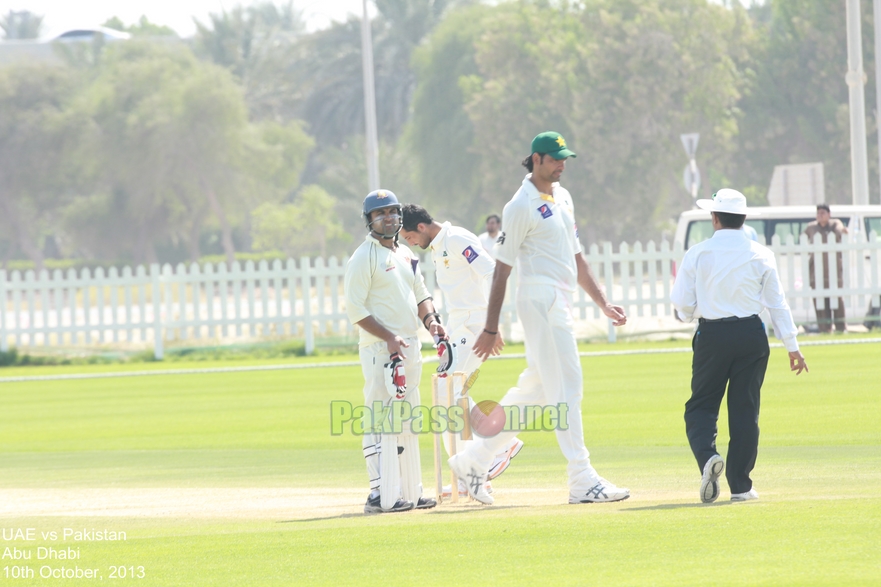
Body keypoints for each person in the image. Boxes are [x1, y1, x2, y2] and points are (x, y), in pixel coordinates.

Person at [448, 131, 631, 505]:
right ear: (536, 159)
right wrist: (490, 326)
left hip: (559, 300)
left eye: (565, 158)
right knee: (568, 386)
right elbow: (501, 269)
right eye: (555, 159)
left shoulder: (563, 197)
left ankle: (474, 461)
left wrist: (603, 303)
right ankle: (581, 477)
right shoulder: (519, 206)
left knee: (538, 389)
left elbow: (576, 257)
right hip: (539, 300)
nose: (562, 164)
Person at [671, 188, 808, 503]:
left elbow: (682, 304)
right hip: (751, 335)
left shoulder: (699, 253)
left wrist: (690, 313)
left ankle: (708, 457)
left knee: (701, 406)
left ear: (715, 219)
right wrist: (793, 346)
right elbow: (777, 304)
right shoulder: (761, 253)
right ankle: (741, 486)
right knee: (746, 410)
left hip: (712, 335)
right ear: (743, 218)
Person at [399, 204, 525, 499]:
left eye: (409, 238)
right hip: (460, 328)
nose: (411, 244)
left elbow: (492, 274)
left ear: (420, 227)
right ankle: (474, 470)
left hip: (474, 328)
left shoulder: (456, 239)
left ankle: (497, 447)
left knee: (446, 395)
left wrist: (491, 326)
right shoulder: (439, 246)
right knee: (450, 399)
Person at [344, 189, 442, 514]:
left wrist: (432, 323)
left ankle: (409, 491)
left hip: (410, 348)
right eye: (380, 213)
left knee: (407, 419)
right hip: (379, 350)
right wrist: (388, 337)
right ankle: (378, 493)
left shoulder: (405, 255)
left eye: (392, 212)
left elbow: (421, 293)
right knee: (378, 418)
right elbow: (355, 310)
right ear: (369, 220)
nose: (388, 218)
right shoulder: (363, 258)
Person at [803, 203, 848, 333]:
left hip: (834, 271)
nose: (820, 215)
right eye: (818, 213)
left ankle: (840, 328)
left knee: (837, 300)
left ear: (829, 214)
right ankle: (824, 329)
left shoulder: (835, 224)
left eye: (823, 213)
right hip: (816, 272)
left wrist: (844, 231)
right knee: (820, 301)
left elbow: (840, 230)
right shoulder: (811, 227)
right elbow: (802, 239)